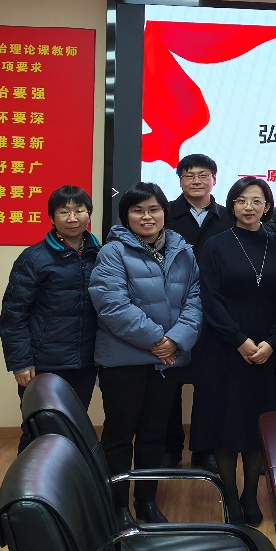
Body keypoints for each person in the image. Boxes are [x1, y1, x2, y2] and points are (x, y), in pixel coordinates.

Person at [89, 182, 202, 527]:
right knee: (119, 435)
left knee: (154, 435)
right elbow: (111, 304)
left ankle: (146, 501)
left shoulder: (183, 250)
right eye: (138, 210)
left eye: (154, 209)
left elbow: (195, 300)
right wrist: (158, 340)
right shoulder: (112, 252)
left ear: (165, 212)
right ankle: (116, 507)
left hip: (167, 361)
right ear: (126, 216)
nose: (147, 216)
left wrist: (176, 340)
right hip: (124, 362)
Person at [191, 177, 276, 527]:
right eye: (242, 200)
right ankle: (231, 496)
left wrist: (273, 341)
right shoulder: (215, 245)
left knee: (257, 424)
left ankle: (251, 494)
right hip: (224, 348)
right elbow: (210, 298)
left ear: (267, 206)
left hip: (268, 350)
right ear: (231, 205)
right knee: (225, 422)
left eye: (257, 201)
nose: (249, 207)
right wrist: (239, 340)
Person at [0, 185, 101, 453]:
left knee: (74, 427)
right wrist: (20, 362)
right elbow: (13, 314)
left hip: (86, 361)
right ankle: (30, 481)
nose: (72, 218)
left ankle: (66, 478)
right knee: (39, 429)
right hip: (44, 361)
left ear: (89, 214)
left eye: (79, 211)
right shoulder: (34, 258)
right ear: (52, 217)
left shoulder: (101, 255)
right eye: (64, 212)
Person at [163, 153, 230, 473]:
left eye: (203, 175)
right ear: (180, 180)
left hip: (216, 311)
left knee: (210, 384)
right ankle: (170, 447)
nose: (196, 181)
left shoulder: (228, 216)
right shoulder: (164, 213)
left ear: (214, 180)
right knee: (169, 384)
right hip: (172, 310)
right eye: (188, 175)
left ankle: (205, 448)